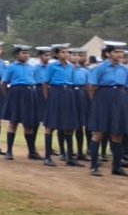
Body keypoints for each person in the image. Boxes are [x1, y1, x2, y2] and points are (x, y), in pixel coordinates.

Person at [86, 41, 127, 177]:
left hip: (120, 97)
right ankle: (94, 166)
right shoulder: (100, 68)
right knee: (99, 132)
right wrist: (97, 103)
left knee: (118, 133)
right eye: (116, 52)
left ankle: (116, 167)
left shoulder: (124, 69)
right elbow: (92, 88)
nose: (120, 54)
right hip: (103, 98)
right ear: (108, 54)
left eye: (121, 52)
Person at [1, 45, 39, 161]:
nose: (26, 55)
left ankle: (31, 151)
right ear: (17, 55)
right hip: (16, 93)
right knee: (13, 122)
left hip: (29, 93)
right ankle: (9, 151)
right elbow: (4, 84)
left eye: (27, 53)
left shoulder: (32, 67)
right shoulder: (11, 67)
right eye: (23, 53)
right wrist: (9, 96)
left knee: (29, 124)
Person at [42, 46, 78, 168]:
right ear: (57, 54)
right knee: (51, 125)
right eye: (63, 52)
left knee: (69, 125)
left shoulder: (71, 67)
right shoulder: (52, 66)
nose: (66, 54)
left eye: (67, 52)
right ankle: (47, 157)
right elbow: (45, 83)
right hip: (56, 93)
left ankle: (69, 157)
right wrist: (48, 99)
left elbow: (72, 82)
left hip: (68, 93)